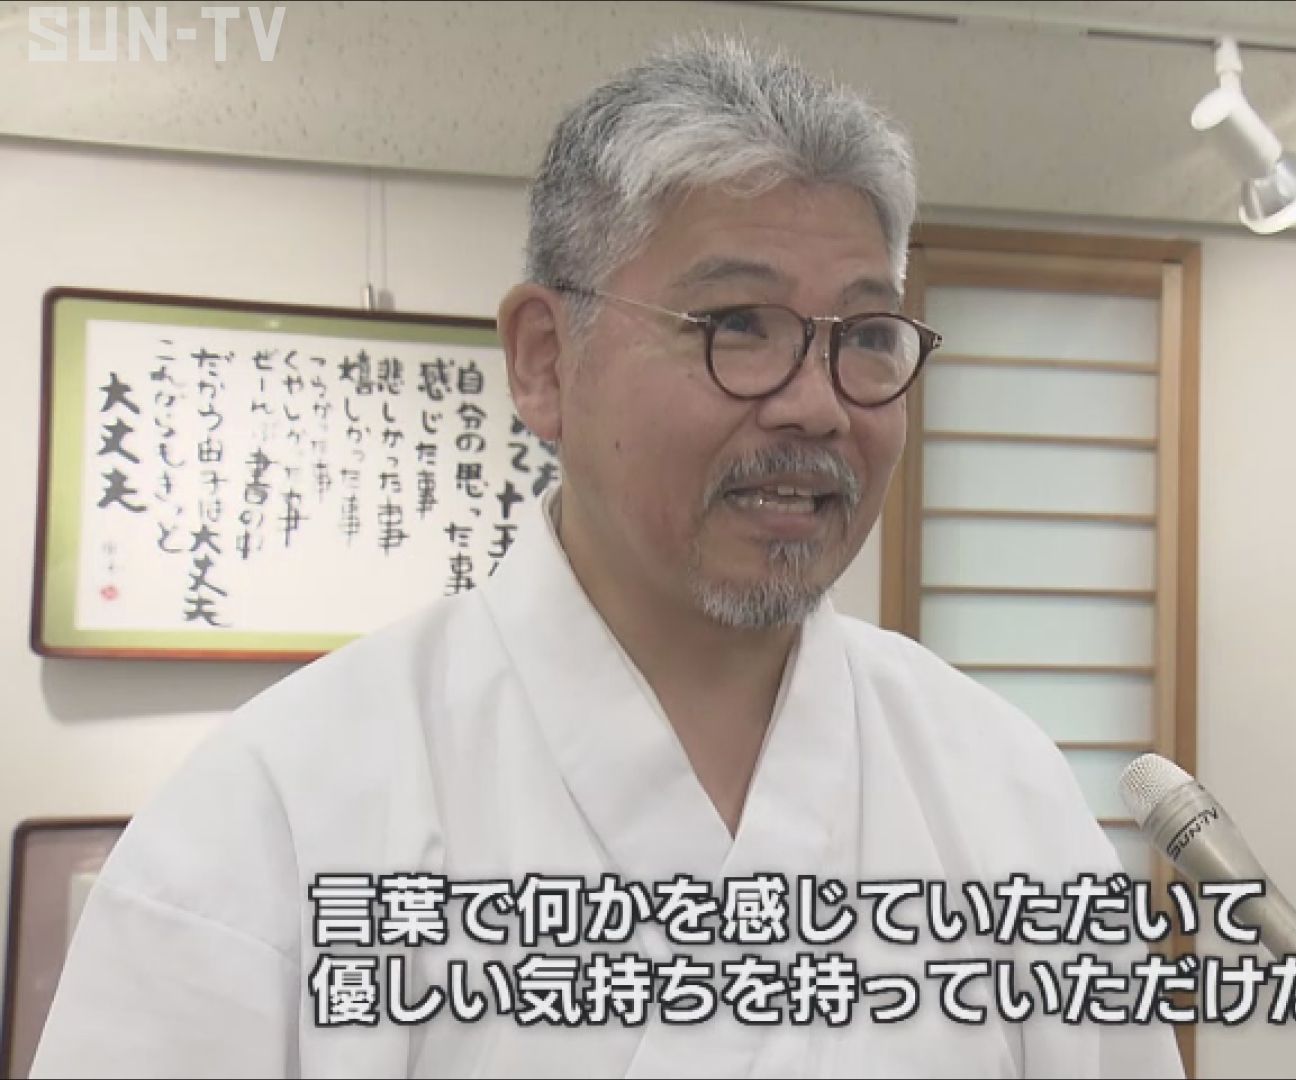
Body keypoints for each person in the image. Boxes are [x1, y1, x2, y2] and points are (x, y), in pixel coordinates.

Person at [30, 36, 1186, 1079]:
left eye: (868, 336)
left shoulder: (1002, 790)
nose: (818, 406)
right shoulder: (277, 813)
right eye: (738, 326)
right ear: (545, 359)